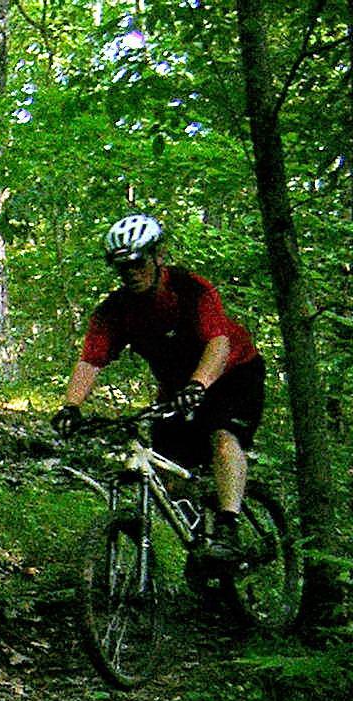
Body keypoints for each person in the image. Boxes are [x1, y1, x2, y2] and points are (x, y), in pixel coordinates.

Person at [52, 214, 266, 562]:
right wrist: (71, 405)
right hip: (177, 390)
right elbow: (91, 360)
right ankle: (201, 547)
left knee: (223, 437)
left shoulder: (192, 289)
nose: (131, 273)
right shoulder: (114, 311)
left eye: (137, 263)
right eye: (121, 267)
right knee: (167, 471)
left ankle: (228, 526)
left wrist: (199, 385)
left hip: (234, 374)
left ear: (157, 256)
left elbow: (218, 344)